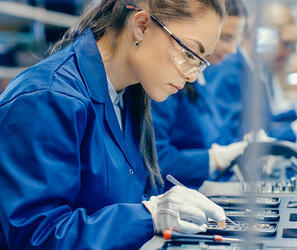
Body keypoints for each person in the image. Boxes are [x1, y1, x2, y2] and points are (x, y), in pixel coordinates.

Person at [0, 0, 227, 249]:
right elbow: (36, 237)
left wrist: (169, 208)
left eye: (200, 61)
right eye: (188, 53)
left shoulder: (128, 94)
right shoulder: (47, 98)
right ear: (141, 26)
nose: (193, 75)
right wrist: (149, 216)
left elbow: (117, 197)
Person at [151, 0, 248, 190]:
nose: (232, 50)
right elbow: (156, 158)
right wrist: (213, 160)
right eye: (226, 38)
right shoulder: (166, 83)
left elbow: (217, 132)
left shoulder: (201, 80)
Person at [206, 2, 297, 143]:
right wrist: (294, 130)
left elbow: (261, 121)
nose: (288, 53)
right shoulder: (228, 70)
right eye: (285, 44)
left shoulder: (251, 72)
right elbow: (231, 138)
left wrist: (296, 111)